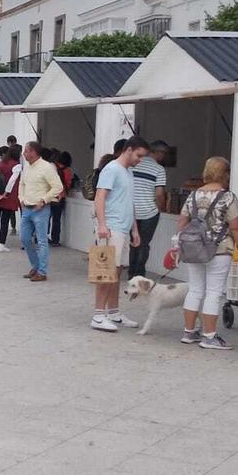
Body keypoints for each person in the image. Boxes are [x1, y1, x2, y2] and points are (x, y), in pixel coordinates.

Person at [174, 157, 238, 349]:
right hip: (220, 249)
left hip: (194, 247)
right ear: (225, 173)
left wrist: (177, 242)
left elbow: (182, 220)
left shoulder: (193, 195)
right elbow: (236, 226)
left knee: (195, 289)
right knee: (214, 292)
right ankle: (209, 336)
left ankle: (189, 332)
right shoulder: (228, 197)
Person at [91, 137, 149, 332]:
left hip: (123, 227)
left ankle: (113, 312)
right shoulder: (111, 169)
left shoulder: (128, 172)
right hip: (111, 227)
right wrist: (102, 224)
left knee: (116, 271)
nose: (140, 160)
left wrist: (134, 229)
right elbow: (100, 196)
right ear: (129, 150)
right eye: (139, 155)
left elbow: (128, 201)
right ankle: (98, 315)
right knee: (106, 271)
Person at [17, 140, 63, 282]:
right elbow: (22, 184)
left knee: (42, 241)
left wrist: (44, 200)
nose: (24, 153)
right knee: (25, 239)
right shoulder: (27, 167)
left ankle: (42, 271)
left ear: (34, 152)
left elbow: (58, 187)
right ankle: (35, 266)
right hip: (27, 208)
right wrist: (21, 198)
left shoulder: (47, 167)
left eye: (26, 151)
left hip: (40, 209)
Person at [129, 139, 169, 279]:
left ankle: (130, 273)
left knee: (133, 242)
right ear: (159, 153)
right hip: (149, 212)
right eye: (164, 154)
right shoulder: (159, 169)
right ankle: (139, 274)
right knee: (144, 244)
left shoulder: (133, 164)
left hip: (131, 211)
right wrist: (159, 208)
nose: (164, 157)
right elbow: (159, 193)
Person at [48, 150, 74, 246]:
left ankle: (42, 237)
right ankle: (55, 240)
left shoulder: (53, 167)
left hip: (51, 196)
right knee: (56, 219)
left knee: (46, 218)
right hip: (61, 196)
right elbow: (68, 184)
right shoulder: (67, 171)